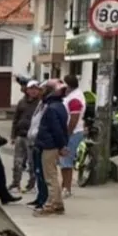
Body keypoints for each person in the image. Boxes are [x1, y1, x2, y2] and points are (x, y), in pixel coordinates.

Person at [33, 78, 69, 216]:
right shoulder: (59, 106)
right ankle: (58, 204)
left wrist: (61, 146)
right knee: (52, 174)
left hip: (49, 145)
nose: (41, 93)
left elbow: (56, 130)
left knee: (50, 176)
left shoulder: (52, 108)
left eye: (43, 90)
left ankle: (51, 205)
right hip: (52, 144)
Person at [9, 80, 41, 193]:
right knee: (17, 161)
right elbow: (15, 119)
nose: (33, 91)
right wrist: (13, 135)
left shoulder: (40, 103)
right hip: (20, 135)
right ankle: (15, 183)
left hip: (32, 137)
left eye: (35, 89)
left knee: (32, 162)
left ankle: (32, 183)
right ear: (27, 90)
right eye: (31, 89)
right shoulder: (21, 102)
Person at [59, 75, 85, 199]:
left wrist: (67, 133)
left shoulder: (75, 98)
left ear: (68, 86)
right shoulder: (72, 96)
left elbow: (74, 119)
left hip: (73, 133)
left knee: (66, 161)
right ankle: (64, 186)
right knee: (64, 161)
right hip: (71, 132)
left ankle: (67, 188)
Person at [25, 86, 49, 208]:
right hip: (34, 141)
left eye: (41, 90)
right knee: (37, 171)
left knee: (42, 172)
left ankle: (43, 199)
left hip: (41, 142)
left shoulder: (48, 106)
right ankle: (39, 197)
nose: (38, 92)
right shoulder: (41, 104)